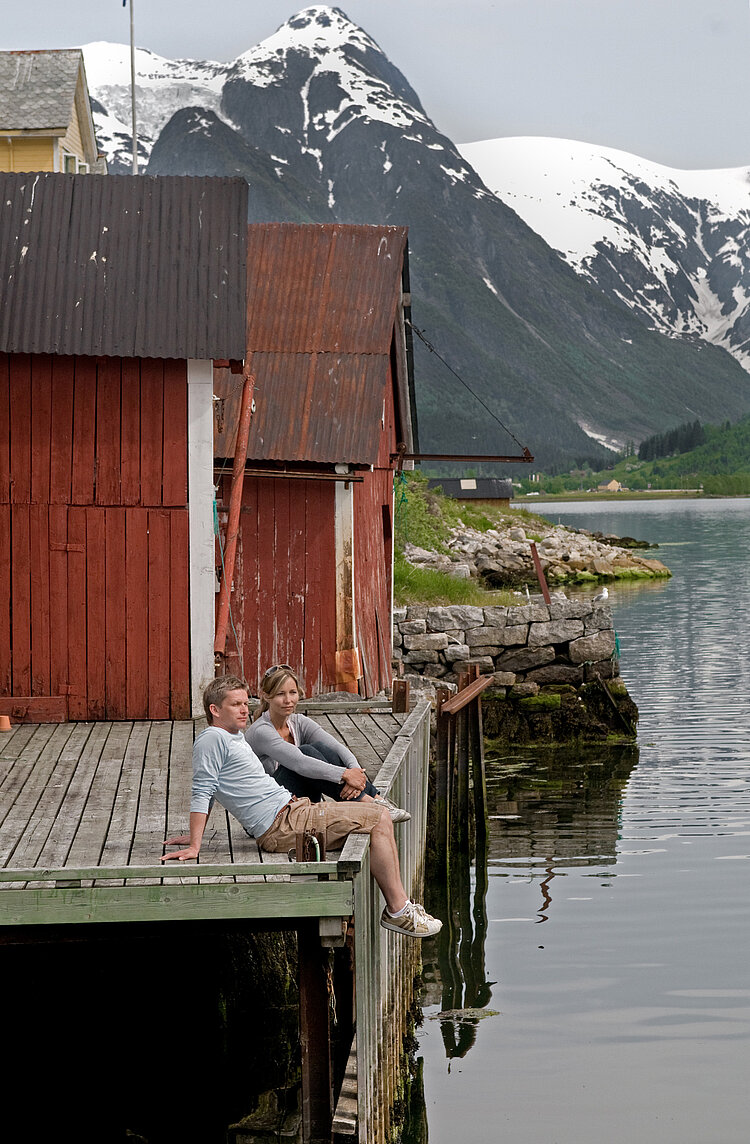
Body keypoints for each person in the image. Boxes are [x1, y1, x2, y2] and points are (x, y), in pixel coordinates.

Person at [161, 675, 441, 939]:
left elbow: (213, 785)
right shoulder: (212, 738)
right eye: (236, 704)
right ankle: (398, 911)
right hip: (282, 825)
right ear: (215, 709)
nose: (245, 709)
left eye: (246, 703)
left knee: (376, 822)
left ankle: (400, 906)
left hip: (293, 811)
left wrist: (196, 832)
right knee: (379, 816)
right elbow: (203, 787)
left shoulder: (233, 737)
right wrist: (195, 845)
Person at [246, 665, 410, 823]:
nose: (288, 700)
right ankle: (366, 802)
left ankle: (377, 800)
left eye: (293, 693)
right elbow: (299, 762)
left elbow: (337, 748)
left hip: (295, 800)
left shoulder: (298, 722)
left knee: (322, 748)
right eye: (280, 694)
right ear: (267, 696)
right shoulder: (261, 731)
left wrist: (356, 773)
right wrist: (345, 775)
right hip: (267, 811)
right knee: (306, 752)